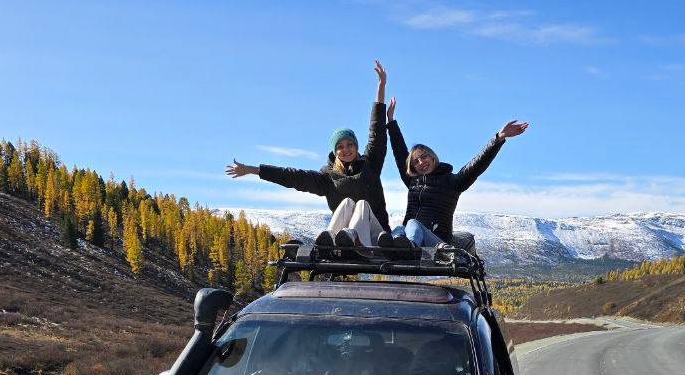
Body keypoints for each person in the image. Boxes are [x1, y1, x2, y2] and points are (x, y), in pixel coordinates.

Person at [225, 61, 406, 249]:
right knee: (346, 204)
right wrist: (253, 170)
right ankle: (328, 243)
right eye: (340, 146)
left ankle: (356, 242)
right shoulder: (328, 176)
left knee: (360, 205)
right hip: (345, 240)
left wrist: (381, 86)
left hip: (376, 238)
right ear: (335, 152)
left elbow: (376, 130)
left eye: (350, 144)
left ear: (356, 146)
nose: (346, 149)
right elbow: (292, 176)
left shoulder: (370, 164)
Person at [386, 97, 528, 249]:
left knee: (412, 223)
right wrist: (391, 120)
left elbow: (477, 165)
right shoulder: (413, 182)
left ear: (432, 157)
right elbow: (400, 153)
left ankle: (410, 248)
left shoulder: (452, 182)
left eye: (424, 156)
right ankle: (396, 248)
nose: (421, 162)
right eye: (415, 161)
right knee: (400, 229)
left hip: (438, 242)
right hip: (412, 235)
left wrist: (498, 138)